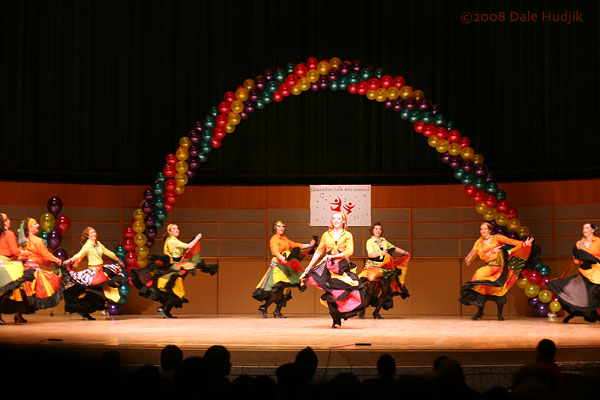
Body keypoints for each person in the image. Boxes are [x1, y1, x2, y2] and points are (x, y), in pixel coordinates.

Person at [131, 224, 218, 318]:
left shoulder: (172, 240)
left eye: (177, 228)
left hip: (177, 266)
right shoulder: (172, 241)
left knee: (175, 292)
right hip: (176, 267)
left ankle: (165, 311)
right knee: (177, 291)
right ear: (169, 232)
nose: (177, 230)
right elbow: (189, 245)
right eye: (174, 229)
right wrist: (197, 237)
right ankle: (163, 308)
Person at [459, 222, 533, 321]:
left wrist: (523, 244)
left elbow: (510, 241)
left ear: (490, 230)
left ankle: (499, 314)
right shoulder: (479, 243)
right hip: (490, 267)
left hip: (501, 268)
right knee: (479, 275)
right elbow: (483, 257)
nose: (483, 231)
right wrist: (492, 251)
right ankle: (479, 311)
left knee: (500, 290)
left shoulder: (497, 238)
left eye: (485, 229)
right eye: (481, 229)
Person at [301, 212, 363, 328]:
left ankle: (341, 315)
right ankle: (335, 320)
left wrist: (333, 257)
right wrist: (309, 265)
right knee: (330, 292)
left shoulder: (348, 235)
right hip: (328, 267)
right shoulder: (326, 234)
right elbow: (319, 251)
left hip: (342, 266)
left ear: (343, 221)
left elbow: (350, 251)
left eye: (338, 218)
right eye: (333, 218)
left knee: (341, 292)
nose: (336, 220)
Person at [253, 220, 316, 318]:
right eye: (279, 226)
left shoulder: (285, 239)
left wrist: (309, 245)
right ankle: (264, 307)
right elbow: (275, 251)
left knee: (284, 289)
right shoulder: (274, 239)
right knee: (277, 287)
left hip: (287, 265)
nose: (282, 228)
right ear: (275, 228)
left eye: (283, 226)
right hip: (279, 264)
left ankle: (277, 311)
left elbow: (296, 245)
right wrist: (281, 257)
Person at [63, 227, 126, 320]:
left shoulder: (99, 244)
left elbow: (108, 252)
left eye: (94, 232)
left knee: (98, 294)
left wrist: (118, 260)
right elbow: (79, 254)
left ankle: (85, 311)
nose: (94, 234)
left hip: (100, 270)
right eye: (91, 233)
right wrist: (69, 260)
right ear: (88, 236)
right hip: (93, 273)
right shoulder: (88, 245)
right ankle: (82, 309)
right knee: (96, 292)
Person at [546, 222, 600, 323]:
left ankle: (591, 314)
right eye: (584, 228)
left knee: (594, 294)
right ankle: (579, 312)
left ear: (593, 230)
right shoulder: (578, 243)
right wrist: (577, 261)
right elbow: (577, 258)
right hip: (585, 271)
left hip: (597, 271)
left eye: (587, 228)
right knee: (566, 287)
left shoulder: (599, 242)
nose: (585, 230)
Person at [16, 218, 65, 323]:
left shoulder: (23, 240)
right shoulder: (38, 240)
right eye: (35, 224)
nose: (38, 225)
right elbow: (46, 254)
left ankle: (18, 314)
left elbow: (19, 254)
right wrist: (57, 260)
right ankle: (19, 314)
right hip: (33, 269)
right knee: (44, 287)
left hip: (24, 268)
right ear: (30, 227)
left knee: (24, 292)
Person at [359, 222, 411, 319]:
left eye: (380, 229)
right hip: (372, 268)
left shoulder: (383, 240)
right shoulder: (370, 241)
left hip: (384, 269)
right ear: (372, 231)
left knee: (385, 290)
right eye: (376, 229)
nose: (378, 231)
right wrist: (381, 252)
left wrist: (405, 252)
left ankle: (376, 312)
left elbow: (394, 248)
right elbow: (370, 254)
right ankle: (362, 311)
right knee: (370, 291)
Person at [0, 213, 30, 325]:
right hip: (6, 264)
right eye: (7, 219)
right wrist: (23, 252)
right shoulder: (8, 233)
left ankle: (18, 314)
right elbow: (14, 250)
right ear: (4, 222)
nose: (9, 220)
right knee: (16, 285)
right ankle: (18, 312)